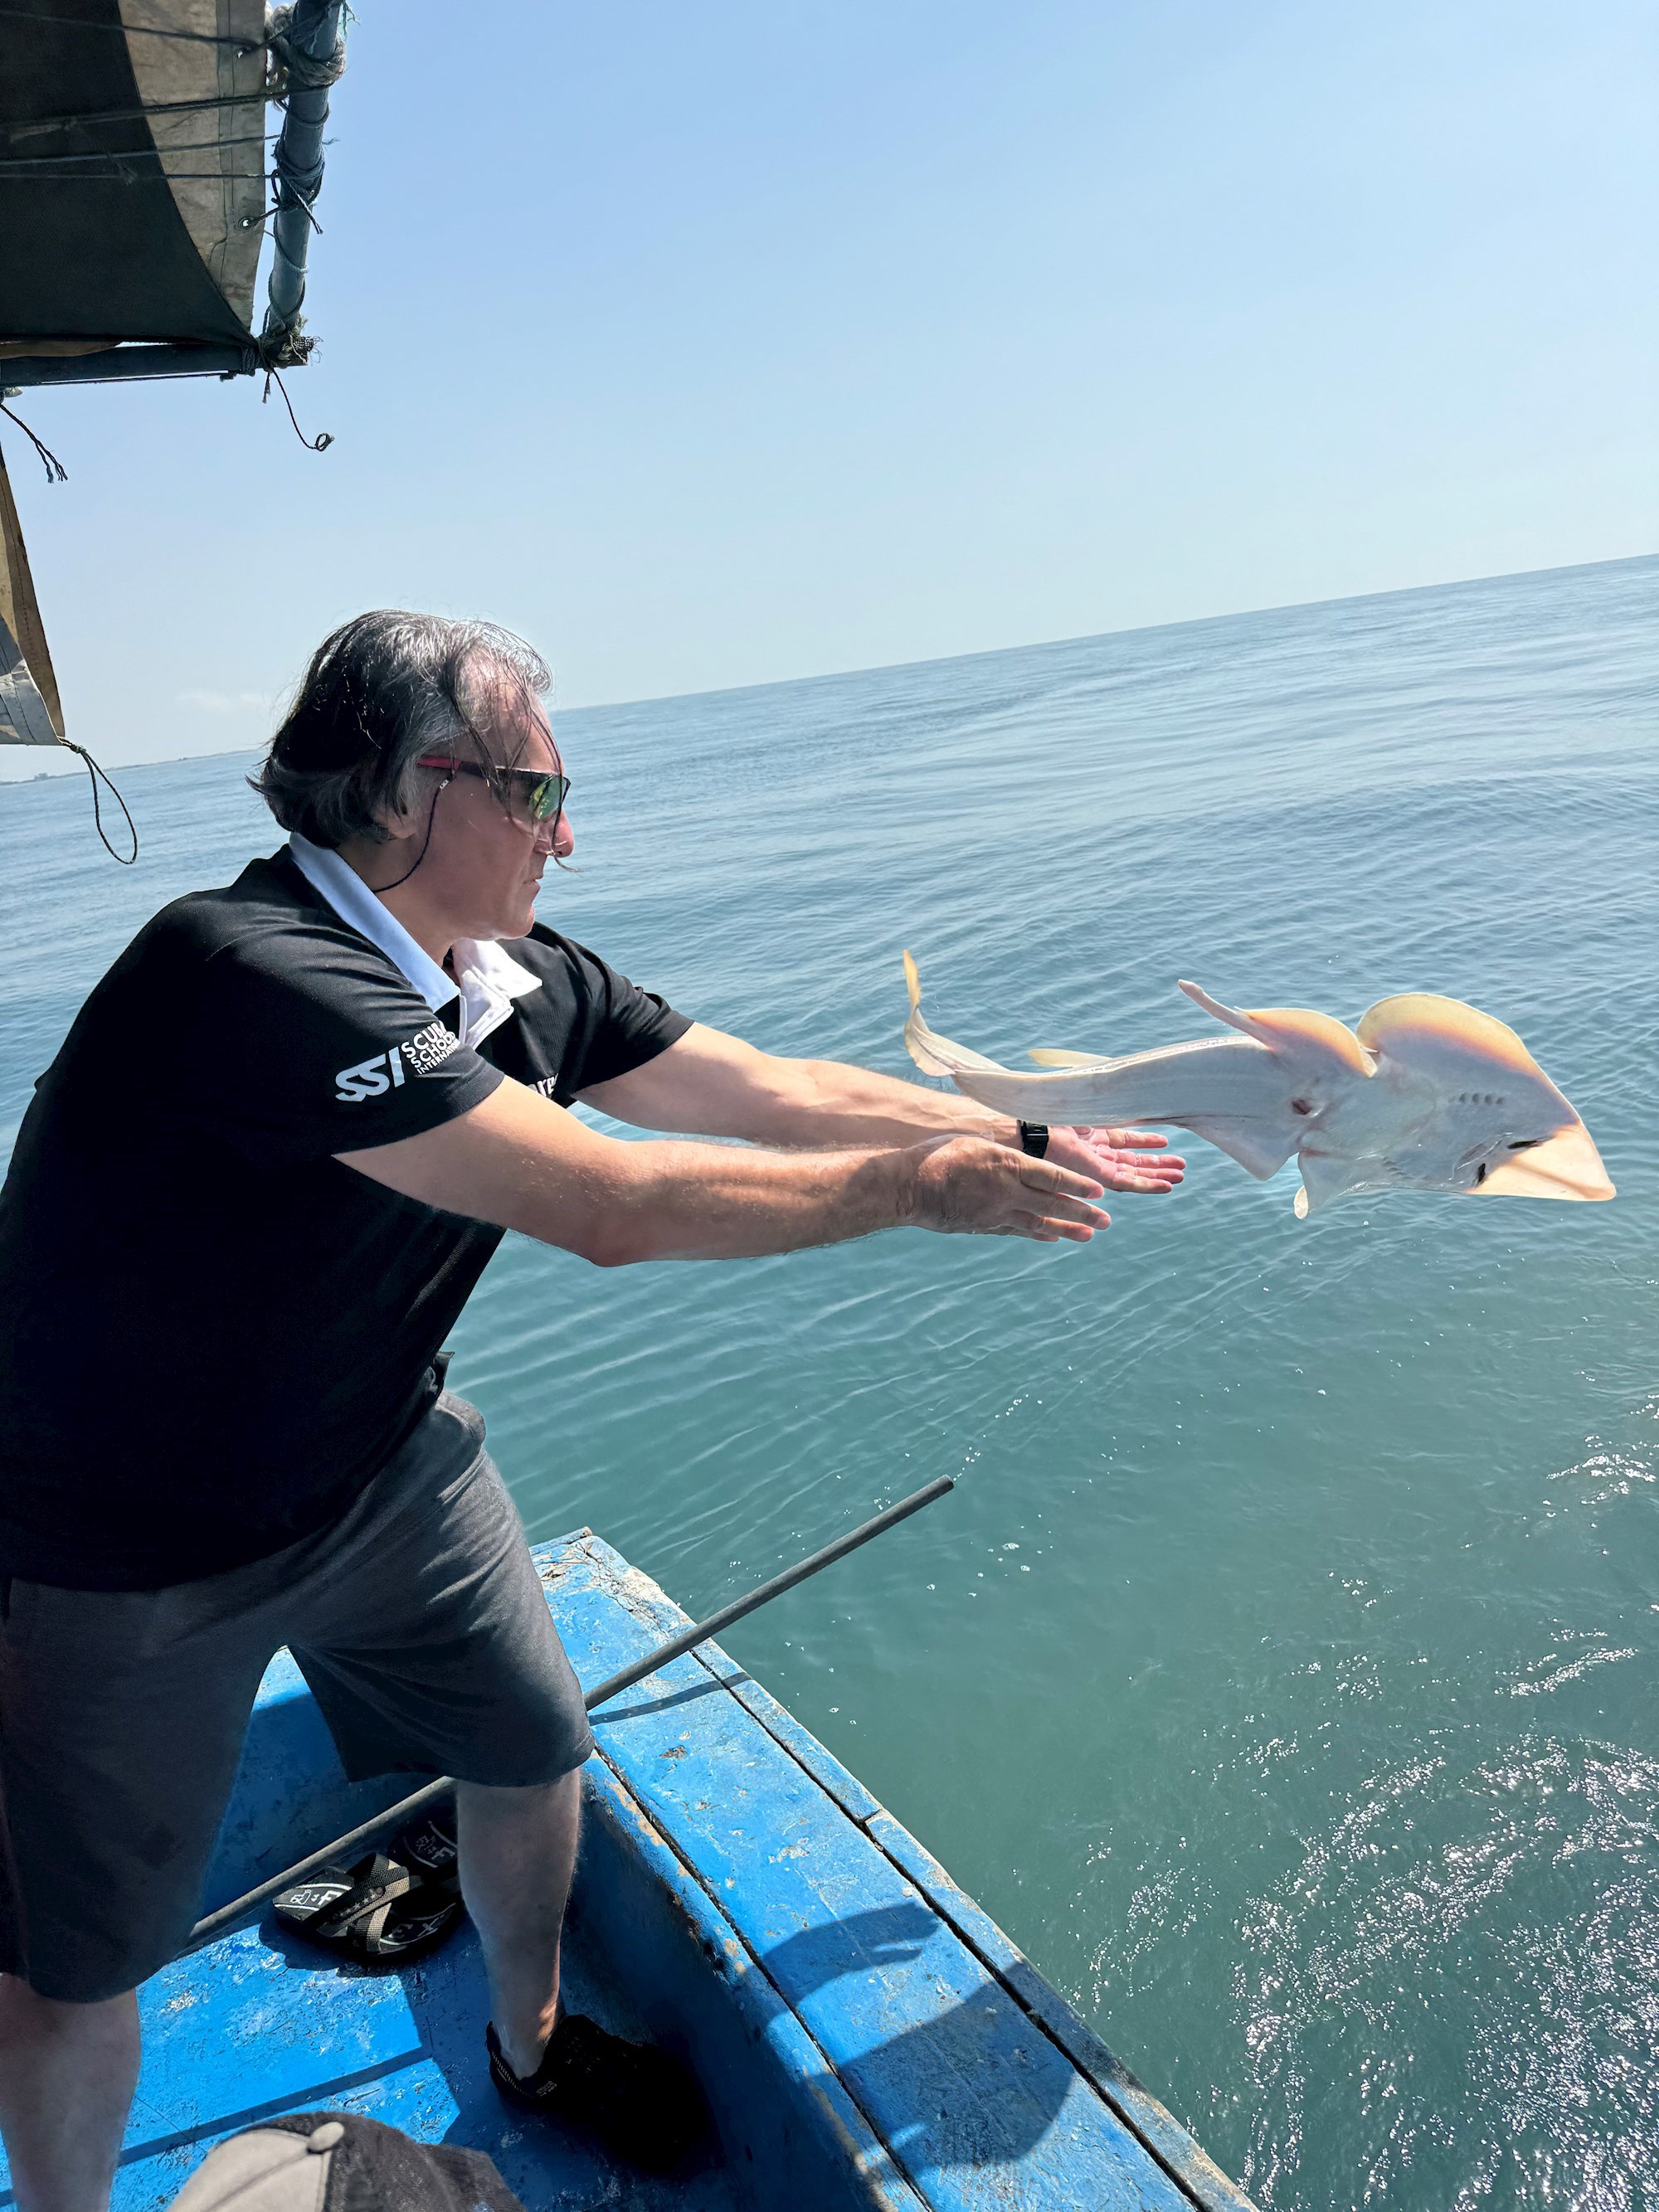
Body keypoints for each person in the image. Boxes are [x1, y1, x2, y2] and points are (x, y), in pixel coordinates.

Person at [0, 611, 1184, 2211]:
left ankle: (534, 2044)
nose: (569, 834)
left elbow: (767, 1090)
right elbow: (609, 1205)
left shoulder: (519, 983)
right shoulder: (249, 971)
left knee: (531, 1741)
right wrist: (914, 1190)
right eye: (542, 793)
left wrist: (1021, 1132)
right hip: (119, 1543)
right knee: (72, 1965)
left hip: (377, 1465)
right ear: (418, 789)